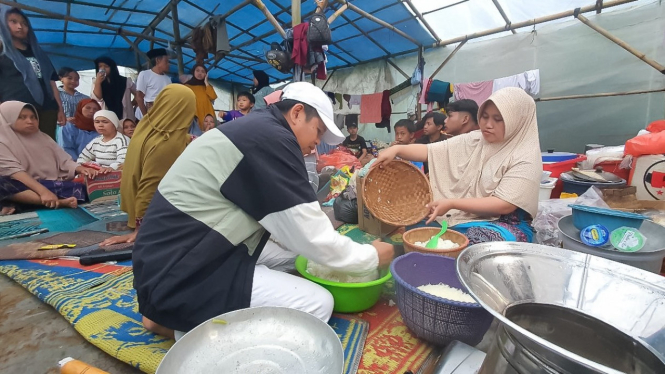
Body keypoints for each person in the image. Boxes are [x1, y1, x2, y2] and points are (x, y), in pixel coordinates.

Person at [130, 82, 394, 339]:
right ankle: (188, 329)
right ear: (297, 113)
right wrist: (369, 257)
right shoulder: (273, 139)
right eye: (318, 131)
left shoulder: (258, 129)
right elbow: (311, 235)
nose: (316, 143)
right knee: (318, 303)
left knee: (298, 258)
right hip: (183, 271)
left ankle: (172, 311)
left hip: (177, 254)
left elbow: (292, 228)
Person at [375, 88, 542, 245]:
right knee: (418, 220)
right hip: (460, 214)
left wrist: (453, 203)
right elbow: (430, 151)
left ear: (517, 121)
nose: (488, 124)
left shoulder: (525, 156)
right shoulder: (476, 139)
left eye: (498, 119)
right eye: (484, 117)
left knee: (478, 243)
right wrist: (396, 149)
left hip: (502, 223)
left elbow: (504, 204)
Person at [100, 85, 195, 246]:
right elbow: (150, 185)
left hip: (131, 203)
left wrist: (192, 139)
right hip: (149, 216)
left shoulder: (147, 126)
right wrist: (142, 229)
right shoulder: (166, 143)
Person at [0, 101, 98, 215]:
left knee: (82, 188)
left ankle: (17, 204)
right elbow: (15, 172)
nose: (30, 121)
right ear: (7, 119)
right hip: (22, 185)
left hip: (50, 184)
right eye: (22, 117)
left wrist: (81, 169)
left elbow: (64, 160)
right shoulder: (2, 141)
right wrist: (44, 192)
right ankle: (59, 202)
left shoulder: (43, 138)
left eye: (33, 117)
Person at [0, 6, 65, 141]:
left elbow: (51, 82)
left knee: (47, 146)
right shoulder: (2, 53)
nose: (20, 26)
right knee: (19, 149)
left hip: (47, 109)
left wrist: (60, 109)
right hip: (16, 111)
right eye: (13, 22)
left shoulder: (39, 53)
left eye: (24, 23)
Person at [91, 56, 136, 122]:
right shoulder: (96, 81)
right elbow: (97, 98)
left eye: (106, 66)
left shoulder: (125, 81)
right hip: (107, 116)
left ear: (112, 68)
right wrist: (98, 82)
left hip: (125, 117)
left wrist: (131, 104)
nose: (103, 69)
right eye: (100, 66)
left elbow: (138, 94)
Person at [135, 48, 172, 120]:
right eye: (167, 61)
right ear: (158, 60)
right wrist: (146, 117)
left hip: (162, 114)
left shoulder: (168, 79)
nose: (169, 64)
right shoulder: (145, 74)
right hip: (147, 113)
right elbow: (139, 97)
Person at [57, 67, 89, 147]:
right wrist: (65, 119)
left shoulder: (84, 98)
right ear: (61, 78)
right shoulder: (56, 95)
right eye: (70, 78)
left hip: (80, 130)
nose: (73, 81)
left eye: (76, 79)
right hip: (60, 129)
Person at [184, 64, 217, 131]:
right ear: (193, 72)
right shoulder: (186, 86)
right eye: (197, 70)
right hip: (195, 114)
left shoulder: (207, 86)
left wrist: (206, 82)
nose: (200, 73)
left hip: (207, 114)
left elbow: (213, 97)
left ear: (206, 74)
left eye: (203, 71)